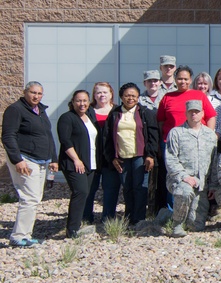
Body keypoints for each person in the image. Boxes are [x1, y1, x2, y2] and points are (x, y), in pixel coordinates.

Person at [156, 65, 217, 216]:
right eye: (179, 79)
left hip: (197, 141)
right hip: (173, 143)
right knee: (175, 176)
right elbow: (161, 121)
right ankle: (173, 212)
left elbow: (210, 116)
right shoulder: (167, 97)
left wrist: (208, 136)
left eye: (185, 79)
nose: (182, 81)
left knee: (198, 175)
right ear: (175, 80)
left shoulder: (198, 95)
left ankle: (196, 211)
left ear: (190, 80)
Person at [2, 82, 58, 247]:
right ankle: (18, 237)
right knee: (30, 197)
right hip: (26, 159)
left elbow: (47, 135)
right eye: (33, 93)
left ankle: (26, 234)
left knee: (35, 198)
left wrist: (53, 158)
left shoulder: (40, 110)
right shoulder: (16, 109)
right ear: (25, 92)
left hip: (41, 159)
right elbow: (8, 136)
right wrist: (17, 159)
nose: (36, 96)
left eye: (39, 93)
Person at [104, 82, 159, 226]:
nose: (130, 98)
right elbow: (107, 137)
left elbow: (153, 135)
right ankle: (129, 218)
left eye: (134, 96)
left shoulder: (145, 113)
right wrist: (112, 158)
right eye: (127, 95)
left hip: (140, 156)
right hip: (122, 156)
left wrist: (150, 155)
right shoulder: (115, 113)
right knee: (127, 188)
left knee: (140, 187)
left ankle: (139, 219)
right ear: (121, 97)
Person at [164, 100, 218, 237]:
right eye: (191, 112)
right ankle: (176, 224)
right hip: (180, 181)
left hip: (202, 185)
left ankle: (167, 215)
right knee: (184, 193)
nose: (194, 114)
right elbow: (170, 159)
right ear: (186, 114)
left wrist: (212, 185)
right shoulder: (176, 133)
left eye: (197, 111)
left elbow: (214, 162)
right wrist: (184, 177)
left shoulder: (210, 135)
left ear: (203, 114)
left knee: (196, 226)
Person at [57, 90, 99, 239]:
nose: (82, 104)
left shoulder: (89, 117)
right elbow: (65, 140)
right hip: (74, 163)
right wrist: (76, 159)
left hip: (90, 163)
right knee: (80, 192)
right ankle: (72, 229)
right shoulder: (67, 118)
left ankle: (78, 223)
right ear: (73, 102)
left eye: (85, 101)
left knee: (85, 194)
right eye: (79, 101)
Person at [86, 82, 115, 223]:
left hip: (111, 158)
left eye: (105, 92)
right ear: (94, 95)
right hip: (91, 157)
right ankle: (86, 218)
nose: (102, 95)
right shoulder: (87, 111)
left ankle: (108, 219)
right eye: (98, 92)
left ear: (111, 94)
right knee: (89, 190)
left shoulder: (117, 111)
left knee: (110, 189)